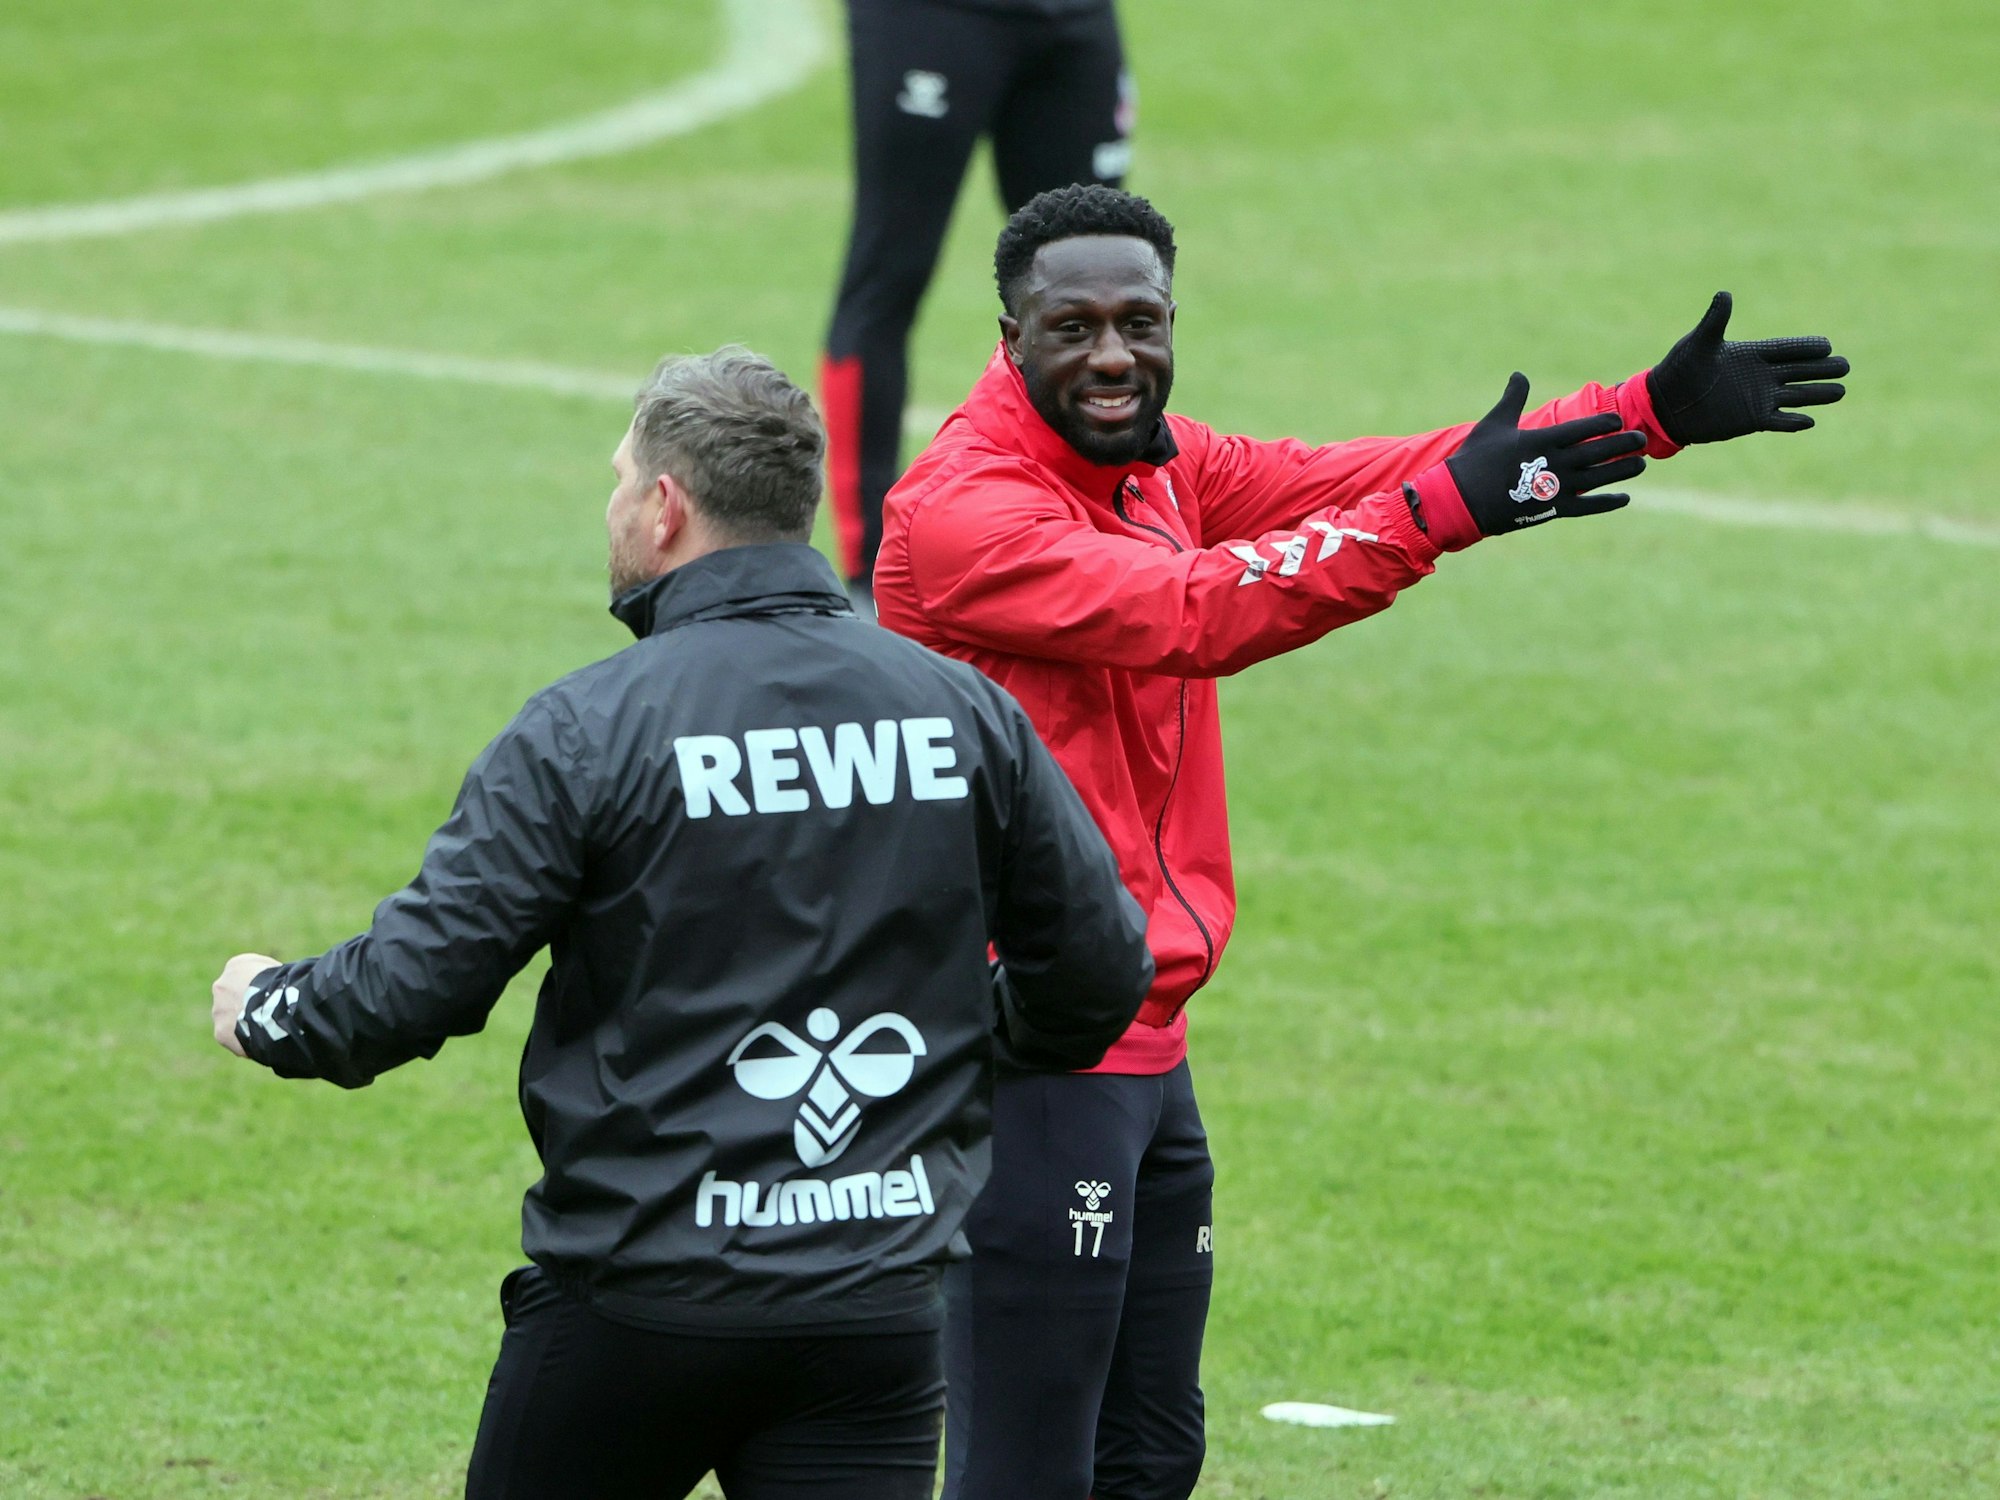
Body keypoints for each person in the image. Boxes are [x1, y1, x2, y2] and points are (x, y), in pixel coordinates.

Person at [871, 183, 1850, 1500]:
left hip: (1142, 1036)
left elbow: (1359, 476)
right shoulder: (968, 512)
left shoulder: (1155, 463)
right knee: (1030, 1471)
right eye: (1075, 327)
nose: (1115, 355)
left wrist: (1644, 414)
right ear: (1010, 335)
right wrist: (1447, 513)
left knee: (1149, 1456)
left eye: (1141, 321)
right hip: (1030, 1047)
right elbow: (1195, 612)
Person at [207, 346, 1156, 1500]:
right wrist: (963, 1045)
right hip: (871, 1318)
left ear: (665, 507)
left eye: (618, 481)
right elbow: (1103, 970)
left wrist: (268, 1005)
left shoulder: (586, 729)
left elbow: (413, 989)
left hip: (635, 1309)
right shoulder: (955, 707)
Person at [822, 0, 1133, 608]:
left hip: (1075, 17)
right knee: (889, 272)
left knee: (1098, 289)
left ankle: (1098, 540)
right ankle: (870, 583)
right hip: (933, 19)